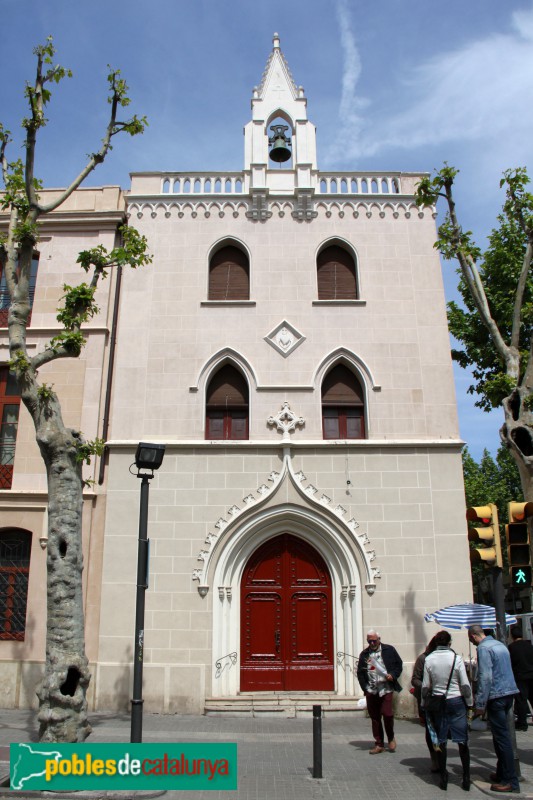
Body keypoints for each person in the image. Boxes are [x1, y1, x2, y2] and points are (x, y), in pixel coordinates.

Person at [468, 624, 519, 794]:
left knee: (502, 738)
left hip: (496, 696)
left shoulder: (483, 649)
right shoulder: (500, 645)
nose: (472, 643)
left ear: (474, 636)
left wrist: (480, 705)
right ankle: (502, 772)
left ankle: (510, 780)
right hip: (508, 693)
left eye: (471, 639)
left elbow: (486, 677)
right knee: (500, 737)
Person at [421, 630, 473, 792]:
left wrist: (424, 705)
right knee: (462, 740)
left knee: (441, 740)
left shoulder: (429, 659)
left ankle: (444, 776)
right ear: (449, 643)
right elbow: (465, 684)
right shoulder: (456, 659)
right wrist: (470, 703)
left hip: (438, 702)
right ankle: (466, 777)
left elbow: (425, 686)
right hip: (456, 700)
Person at [357, 629, 403, 754]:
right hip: (371, 689)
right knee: (375, 717)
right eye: (369, 641)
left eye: (374, 641)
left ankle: (391, 737)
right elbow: (360, 673)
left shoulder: (389, 650)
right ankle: (379, 743)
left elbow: (399, 665)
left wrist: (393, 675)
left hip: (386, 688)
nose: (372, 643)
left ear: (379, 639)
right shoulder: (364, 654)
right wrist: (365, 688)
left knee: (387, 714)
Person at [411, 634, 440, 773]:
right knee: (430, 730)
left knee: (441, 731)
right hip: (427, 700)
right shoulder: (423, 658)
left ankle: (441, 758)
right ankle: (434, 758)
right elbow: (415, 679)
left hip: (443, 700)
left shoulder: (448, 658)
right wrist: (426, 687)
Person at [508, 623, 533, 732]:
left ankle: (522, 724)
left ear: (512, 636)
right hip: (532, 675)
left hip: (520, 677)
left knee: (521, 701)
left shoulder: (511, 648)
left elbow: (510, 664)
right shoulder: (529, 645)